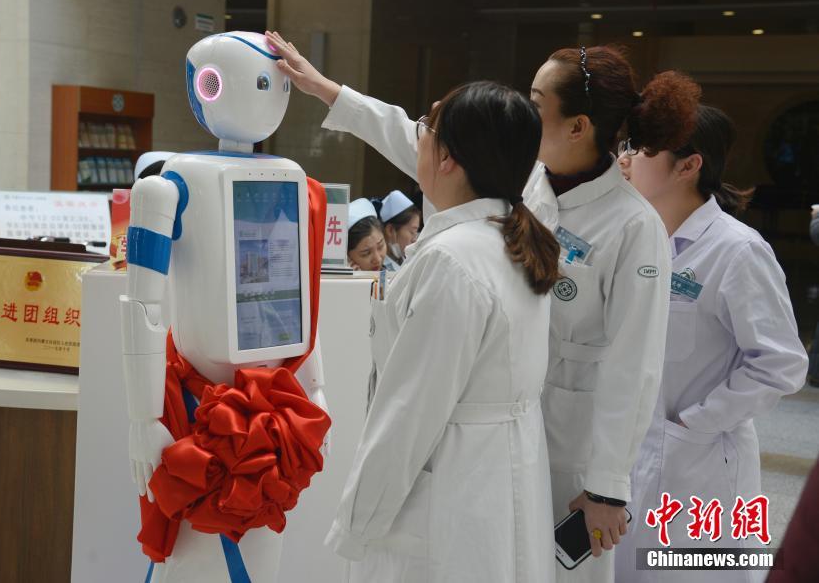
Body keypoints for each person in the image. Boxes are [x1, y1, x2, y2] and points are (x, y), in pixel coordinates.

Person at [266, 30, 675, 582]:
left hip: (569, 449)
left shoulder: (632, 227)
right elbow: (418, 137)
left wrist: (607, 486)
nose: (524, 115)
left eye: (534, 105)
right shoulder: (521, 183)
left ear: (578, 127)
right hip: (501, 430)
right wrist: (327, 91)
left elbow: (635, 366)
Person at [326, 81, 561, 582]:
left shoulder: (453, 261)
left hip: (453, 483)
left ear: (450, 157)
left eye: (426, 127)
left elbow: (409, 413)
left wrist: (355, 525)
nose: (417, 137)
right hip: (499, 472)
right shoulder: (508, 238)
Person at [615, 105, 807, 583]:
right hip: (628, 459)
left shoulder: (737, 251)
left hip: (698, 462)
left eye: (642, 149)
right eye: (627, 145)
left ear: (688, 165)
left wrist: (694, 423)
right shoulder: (636, 238)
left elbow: (780, 363)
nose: (626, 159)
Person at [378, 189, 421, 268]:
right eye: (412, 232)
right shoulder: (376, 267)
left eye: (416, 233)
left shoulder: (407, 261)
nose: (414, 240)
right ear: (390, 230)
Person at [347, 197, 388, 271]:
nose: (378, 259)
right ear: (347, 257)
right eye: (366, 253)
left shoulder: (392, 278)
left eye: (380, 246)